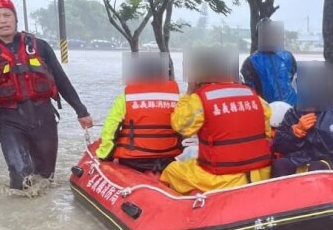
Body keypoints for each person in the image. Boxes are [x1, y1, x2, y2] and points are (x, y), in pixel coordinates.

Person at [0, 0, 93, 189]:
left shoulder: (39, 46)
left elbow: (61, 80)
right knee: (20, 176)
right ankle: (20, 216)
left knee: (44, 178)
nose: (3, 21)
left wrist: (81, 111)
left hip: (44, 117)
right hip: (10, 120)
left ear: (15, 17)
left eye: (7, 15)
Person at [160, 50, 273, 194]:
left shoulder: (200, 99)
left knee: (172, 171)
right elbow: (267, 130)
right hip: (259, 174)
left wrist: (190, 91)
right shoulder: (255, 97)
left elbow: (180, 125)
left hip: (222, 179)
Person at [271, 61, 333, 177]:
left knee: (317, 168)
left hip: (331, 163)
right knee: (280, 164)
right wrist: (295, 133)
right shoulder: (292, 114)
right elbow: (277, 146)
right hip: (300, 160)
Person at [96, 53, 182, 172]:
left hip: (134, 160)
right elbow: (185, 127)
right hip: (168, 158)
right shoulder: (177, 97)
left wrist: (104, 156)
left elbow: (111, 128)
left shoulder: (126, 97)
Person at [240, 18, 297, 104]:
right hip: (268, 111)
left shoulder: (287, 57)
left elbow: (294, 79)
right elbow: (249, 91)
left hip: (292, 107)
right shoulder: (251, 62)